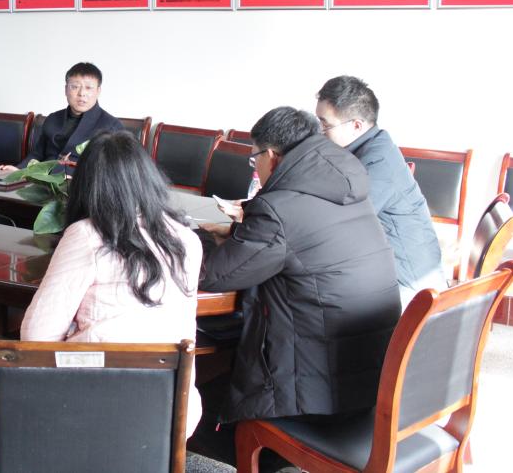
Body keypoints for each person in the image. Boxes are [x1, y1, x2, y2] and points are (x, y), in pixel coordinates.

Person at [190, 107, 400, 468]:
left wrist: (193, 241)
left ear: (272, 155)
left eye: (254, 158)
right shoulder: (346, 184)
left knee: (188, 411)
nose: (255, 167)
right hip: (370, 378)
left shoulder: (278, 207)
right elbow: (300, 243)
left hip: (318, 395)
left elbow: (216, 276)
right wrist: (241, 233)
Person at [21, 131, 204, 434]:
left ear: (87, 186)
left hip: (100, 405)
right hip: (175, 406)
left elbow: (36, 337)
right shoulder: (187, 239)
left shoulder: (87, 234)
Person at [316, 76, 446, 304]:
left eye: (325, 124)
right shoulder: (371, 148)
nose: (320, 132)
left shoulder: (376, 164)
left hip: (410, 293)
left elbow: (337, 226)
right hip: (400, 275)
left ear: (356, 125)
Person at [0, 62, 123, 172]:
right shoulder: (53, 119)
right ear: (66, 90)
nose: (81, 93)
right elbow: (37, 154)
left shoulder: (111, 127)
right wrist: (19, 170)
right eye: (75, 87)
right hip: (43, 182)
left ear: (98, 91)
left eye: (88, 88)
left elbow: (113, 171)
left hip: (82, 186)